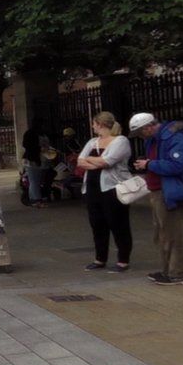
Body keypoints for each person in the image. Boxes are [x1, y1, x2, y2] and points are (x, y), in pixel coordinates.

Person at [131, 112, 183, 286]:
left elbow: (179, 164)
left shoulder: (175, 139)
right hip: (159, 190)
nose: (140, 137)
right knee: (163, 232)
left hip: (169, 191)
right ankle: (169, 270)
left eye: (140, 132)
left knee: (170, 232)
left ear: (148, 127)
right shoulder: (156, 139)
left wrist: (149, 164)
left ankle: (179, 272)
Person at [77, 112, 133, 272]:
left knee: (118, 224)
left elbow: (108, 161)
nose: (92, 126)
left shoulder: (120, 141)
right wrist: (97, 162)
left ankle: (123, 260)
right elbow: (81, 161)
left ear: (100, 124)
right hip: (92, 189)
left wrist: (93, 160)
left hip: (113, 189)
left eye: (94, 123)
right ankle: (100, 258)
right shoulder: (93, 142)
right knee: (97, 224)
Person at [21, 120, 49, 208]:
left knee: (38, 180)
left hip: (42, 159)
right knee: (34, 180)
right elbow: (27, 145)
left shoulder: (42, 134)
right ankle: (35, 200)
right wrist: (38, 149)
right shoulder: (30, 134)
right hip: (32, 159)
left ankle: (35, 197)